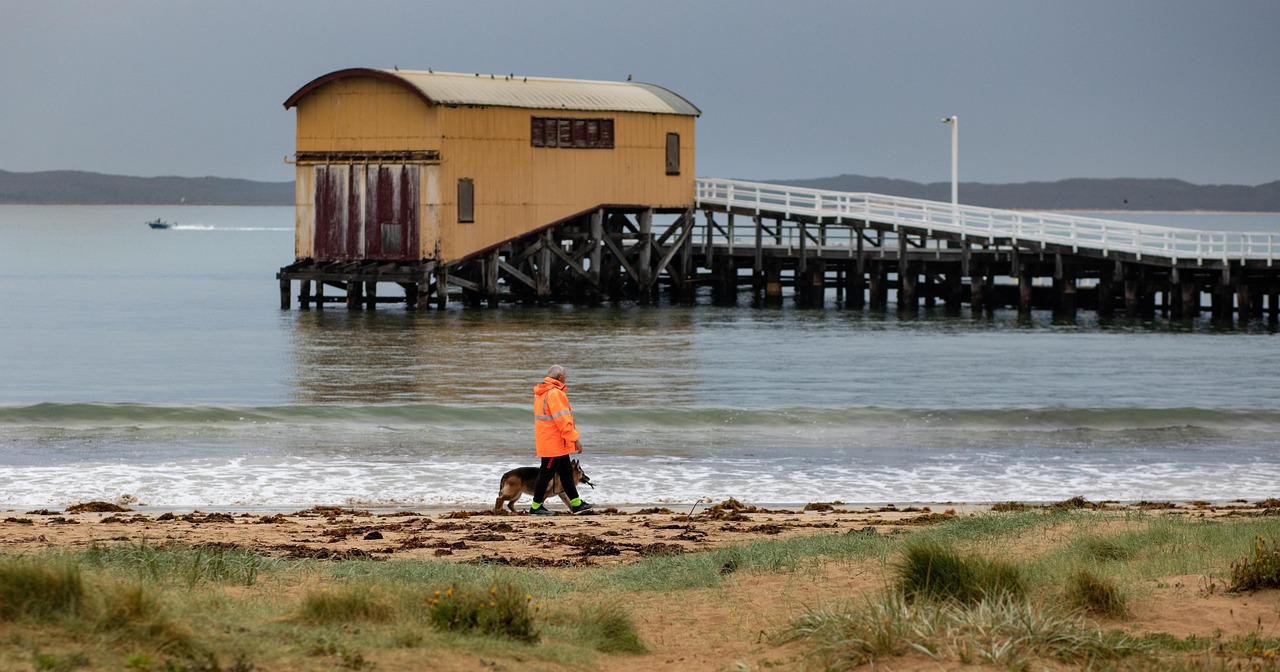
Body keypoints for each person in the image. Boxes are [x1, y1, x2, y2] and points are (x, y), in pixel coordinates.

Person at [530, 364, 593, 515]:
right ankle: (536, 507)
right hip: (554, 443)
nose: (566, 377)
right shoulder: (555, 394)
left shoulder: (542, 392)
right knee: (546, 473)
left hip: (553, 441)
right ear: (559, 377)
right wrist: (575, 439)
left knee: (565, 472)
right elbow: (562, 420)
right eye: (565, 374)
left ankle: (576, 504)